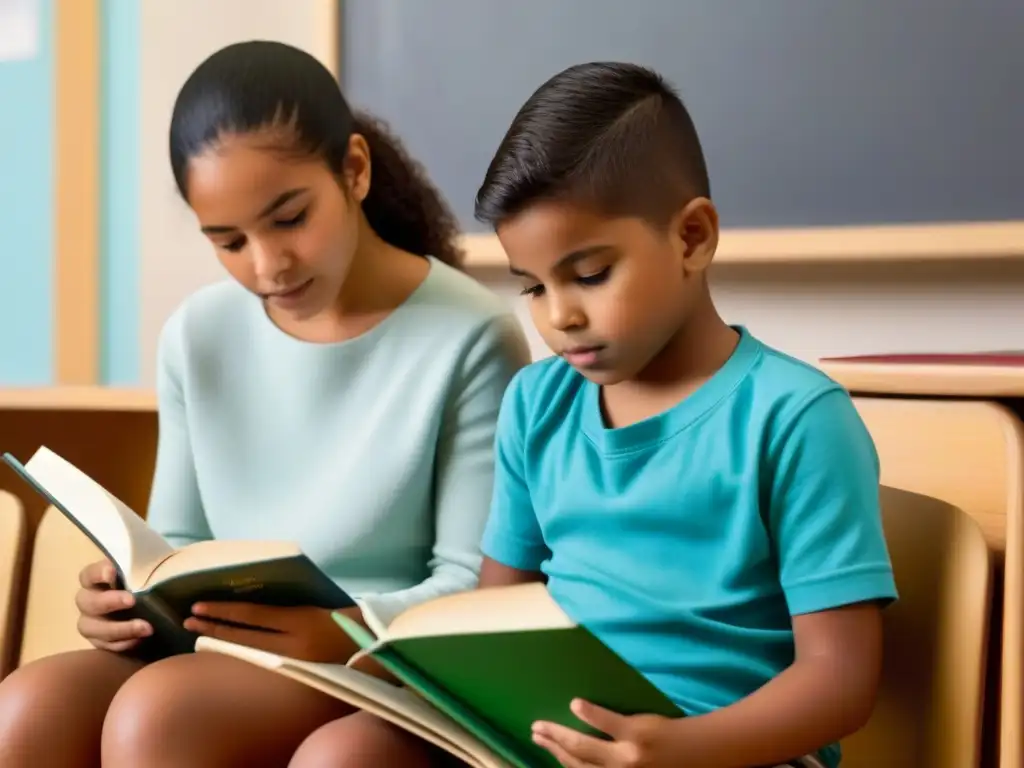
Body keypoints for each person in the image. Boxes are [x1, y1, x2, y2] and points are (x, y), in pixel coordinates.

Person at [308, 61, 899, 768]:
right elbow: (493, 618)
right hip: (552, 736)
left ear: (692, 238)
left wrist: (680, 748)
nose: (560, 316)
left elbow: (840, 685)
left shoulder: (797, 418)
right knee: (344, 753)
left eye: (589, 275)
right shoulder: (536, 404)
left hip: (727, 750)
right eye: (532, 286)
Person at [0, 40, 529, 768]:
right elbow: (179, 542)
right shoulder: (197, 335)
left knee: (161, 718)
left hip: (383, 662)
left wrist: (343, 631)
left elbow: (476, 586)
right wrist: (125, 599)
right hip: (220, 646)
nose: (266, 265)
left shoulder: (471, 333)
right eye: (227, 241)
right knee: (24, 711)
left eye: (289, 218)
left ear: (354, 169)